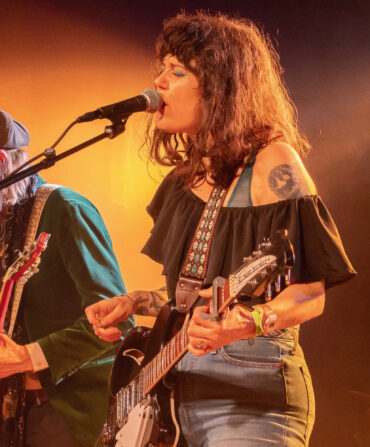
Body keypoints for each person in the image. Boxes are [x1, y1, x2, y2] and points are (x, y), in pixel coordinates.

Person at [85, 12, 356, 447]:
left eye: (176, 71)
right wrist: (136, 301)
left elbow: (311, 293)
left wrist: (247, 322)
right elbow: (190, 302)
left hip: (250, 389)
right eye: (160, 69)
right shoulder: (184, 179)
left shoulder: (274, 162)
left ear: (219, 85)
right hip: (176, 385)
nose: (159, 82)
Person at [0, 110, 134, 447]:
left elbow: (118, 322)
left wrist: (26, 356)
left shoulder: (65, 208)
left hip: (61, 414)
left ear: (1, 161)